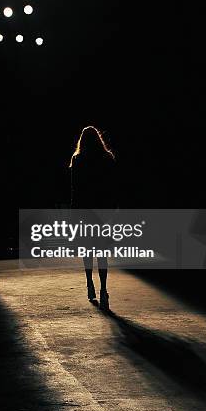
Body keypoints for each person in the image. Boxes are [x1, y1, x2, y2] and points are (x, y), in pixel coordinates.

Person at [69, 126, 117, 310]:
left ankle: (90, 284)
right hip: (102, 211)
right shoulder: (107, 159)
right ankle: (104, 289)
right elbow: (113, 187)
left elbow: (75, 190)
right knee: (102, 252)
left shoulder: (77, 159)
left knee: (87, 250)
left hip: (84, 211)